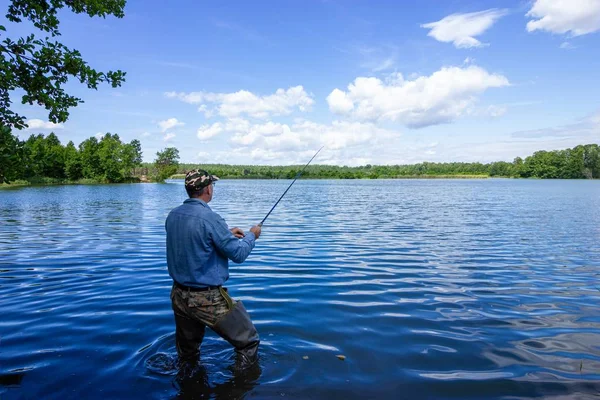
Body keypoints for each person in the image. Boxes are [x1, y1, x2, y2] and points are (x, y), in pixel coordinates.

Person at [165, 169, 262, 371]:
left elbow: (194, 241)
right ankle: (242, 385)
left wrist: (225, 234)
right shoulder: (211, 218)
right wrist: (252, 235)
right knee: (248, 342)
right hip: (206, 299)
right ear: (208, 189)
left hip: (179, 296)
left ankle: (188, 385)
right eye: (213, 186)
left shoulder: (173, 215)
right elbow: (238, 255)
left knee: (188, 353)